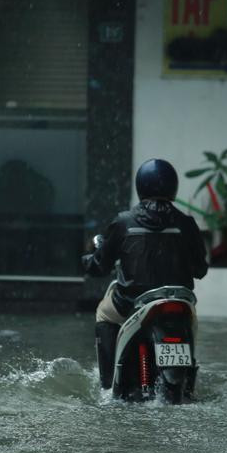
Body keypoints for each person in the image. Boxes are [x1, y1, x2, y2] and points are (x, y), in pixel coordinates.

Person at [82, 158, 208, 388]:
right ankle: (188, 379)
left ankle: (108, 385)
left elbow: (99, 267)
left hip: (131, 304)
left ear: (140, 186)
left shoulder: (124, 222)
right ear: (174, 187)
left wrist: (88, 259)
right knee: (192, 321)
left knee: (104, 313)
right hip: (178, 304)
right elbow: (201, 270)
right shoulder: (186, 223)